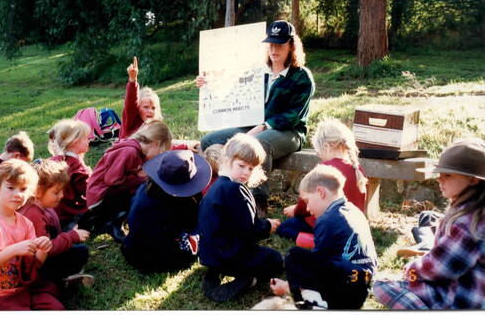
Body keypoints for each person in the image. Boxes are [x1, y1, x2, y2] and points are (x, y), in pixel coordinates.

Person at [197, 20, 315, 215]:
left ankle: (258, 203)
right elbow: (231, 88)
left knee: (258, 144)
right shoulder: (258, 71)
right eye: (271, 44)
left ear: (292, 46)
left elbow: (294, 115)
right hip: (250, 126)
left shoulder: (302, 76)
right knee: (209, 140)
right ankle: (217, 193)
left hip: (288, 132)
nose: (274, 49)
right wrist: (208, 83)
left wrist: (264, 126)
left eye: (280, 44)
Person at [373, 138, 485, 309]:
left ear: (473, 180)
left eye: (447, 175)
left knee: (382, 285)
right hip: (462, 290)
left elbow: (438, 269)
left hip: (457, 299)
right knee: (428, 217)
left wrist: (410, 268)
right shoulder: (472, 210)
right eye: (439, 174)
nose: (440, 180)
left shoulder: (467, 223)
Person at [270, 164, 377, 309]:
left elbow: (317, 269)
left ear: (320, 192)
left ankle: (314, 304)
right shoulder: (355, 211)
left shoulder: (328, 220)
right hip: (363, 283)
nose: (307, 208)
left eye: (307, 201)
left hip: (347, 291)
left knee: (294, 256)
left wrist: (290, 287)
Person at [197, 133, 283, 303]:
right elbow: (248, 230)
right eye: (242, 165)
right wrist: (267, 225)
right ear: (228, 160)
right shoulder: (235, 191)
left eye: (251, 168)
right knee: (275, 259)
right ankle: (248, 280)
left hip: (210, 254)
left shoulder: (217, 186)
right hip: (230, 255)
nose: (246, 172)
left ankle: (214, 273)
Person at [0, 159, 63, 310]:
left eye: (24, 189)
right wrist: (13, 250)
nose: (18, 194)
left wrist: (43, 249)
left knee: (55, 307)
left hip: (24, 288)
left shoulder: (26, 223)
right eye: (11, 187)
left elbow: (34, 264)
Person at [277, 118, 368, 247]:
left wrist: (296, 211)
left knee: (284, 228)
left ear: (327, 146)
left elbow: (306, 201)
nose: (319, 155)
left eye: (319, 151)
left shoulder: (324, 169)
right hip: (352, 226)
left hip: (327, 224)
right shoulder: (357, 169)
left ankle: (319, 242)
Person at [81, 120, 172, 242]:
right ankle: (113, 222)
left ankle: (112, 218)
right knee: (142, 191)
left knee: (145, 186)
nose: (159, 156)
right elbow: (112, 180)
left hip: (107, 194)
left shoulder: (140, 150)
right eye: (161, 152)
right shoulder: (130, 151)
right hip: (99, 198)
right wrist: (139, 177)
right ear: (155, 144)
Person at [122, 150, 211, 273]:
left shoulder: (146, 188)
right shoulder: (179, 205)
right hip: (162, 260)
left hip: (132, 250)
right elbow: (193, 224)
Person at [18, 159, 93, 286]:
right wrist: (71, 236)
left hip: (49, 250)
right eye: (56, 192)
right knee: (81, 252)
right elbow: (46, 249)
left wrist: (69, 234)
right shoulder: (33, 214)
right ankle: (55, 281)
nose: (62, 195)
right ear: (38, 191)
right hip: (39, 264)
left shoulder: (45, 205)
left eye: (62, 190)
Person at [121, 56, 199, 151]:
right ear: (137, 108)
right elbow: (131, 102)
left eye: (153, 108)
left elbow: (161, 147)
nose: (150, 111)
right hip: (126, 159)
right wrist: (133, 80)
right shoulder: (132, 121)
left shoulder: (153, 127)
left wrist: (186, 146)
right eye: (146, 107)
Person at [47, 119, 92, 230]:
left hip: (51, 211)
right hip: (70, 212)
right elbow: (89, 191)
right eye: (86, 138)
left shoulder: (54, 160)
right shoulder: (76, 166)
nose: (89, 140)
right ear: (74, 142)